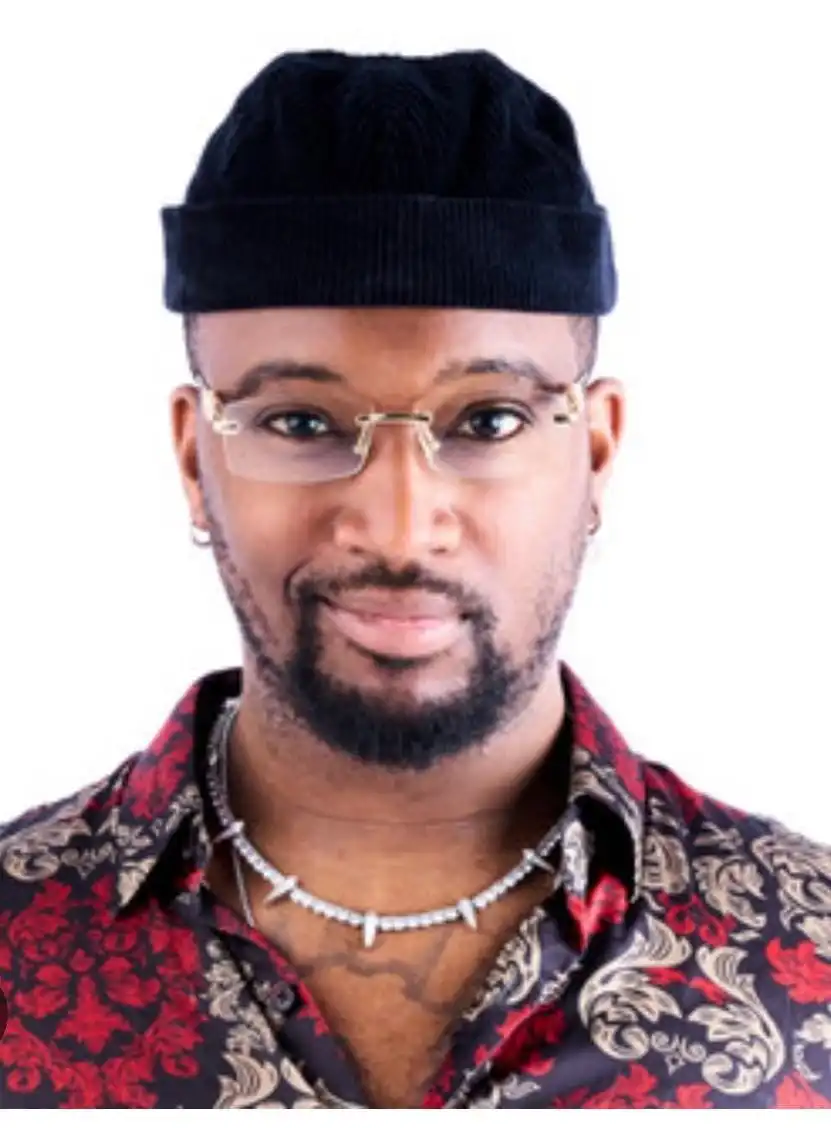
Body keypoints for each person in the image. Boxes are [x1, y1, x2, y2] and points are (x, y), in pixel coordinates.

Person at [0, 49, 829, 1111]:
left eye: (489, 420)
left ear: (596, 452)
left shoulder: (809, 957)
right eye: (302, 421)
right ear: (194, 462)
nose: (397, 527)